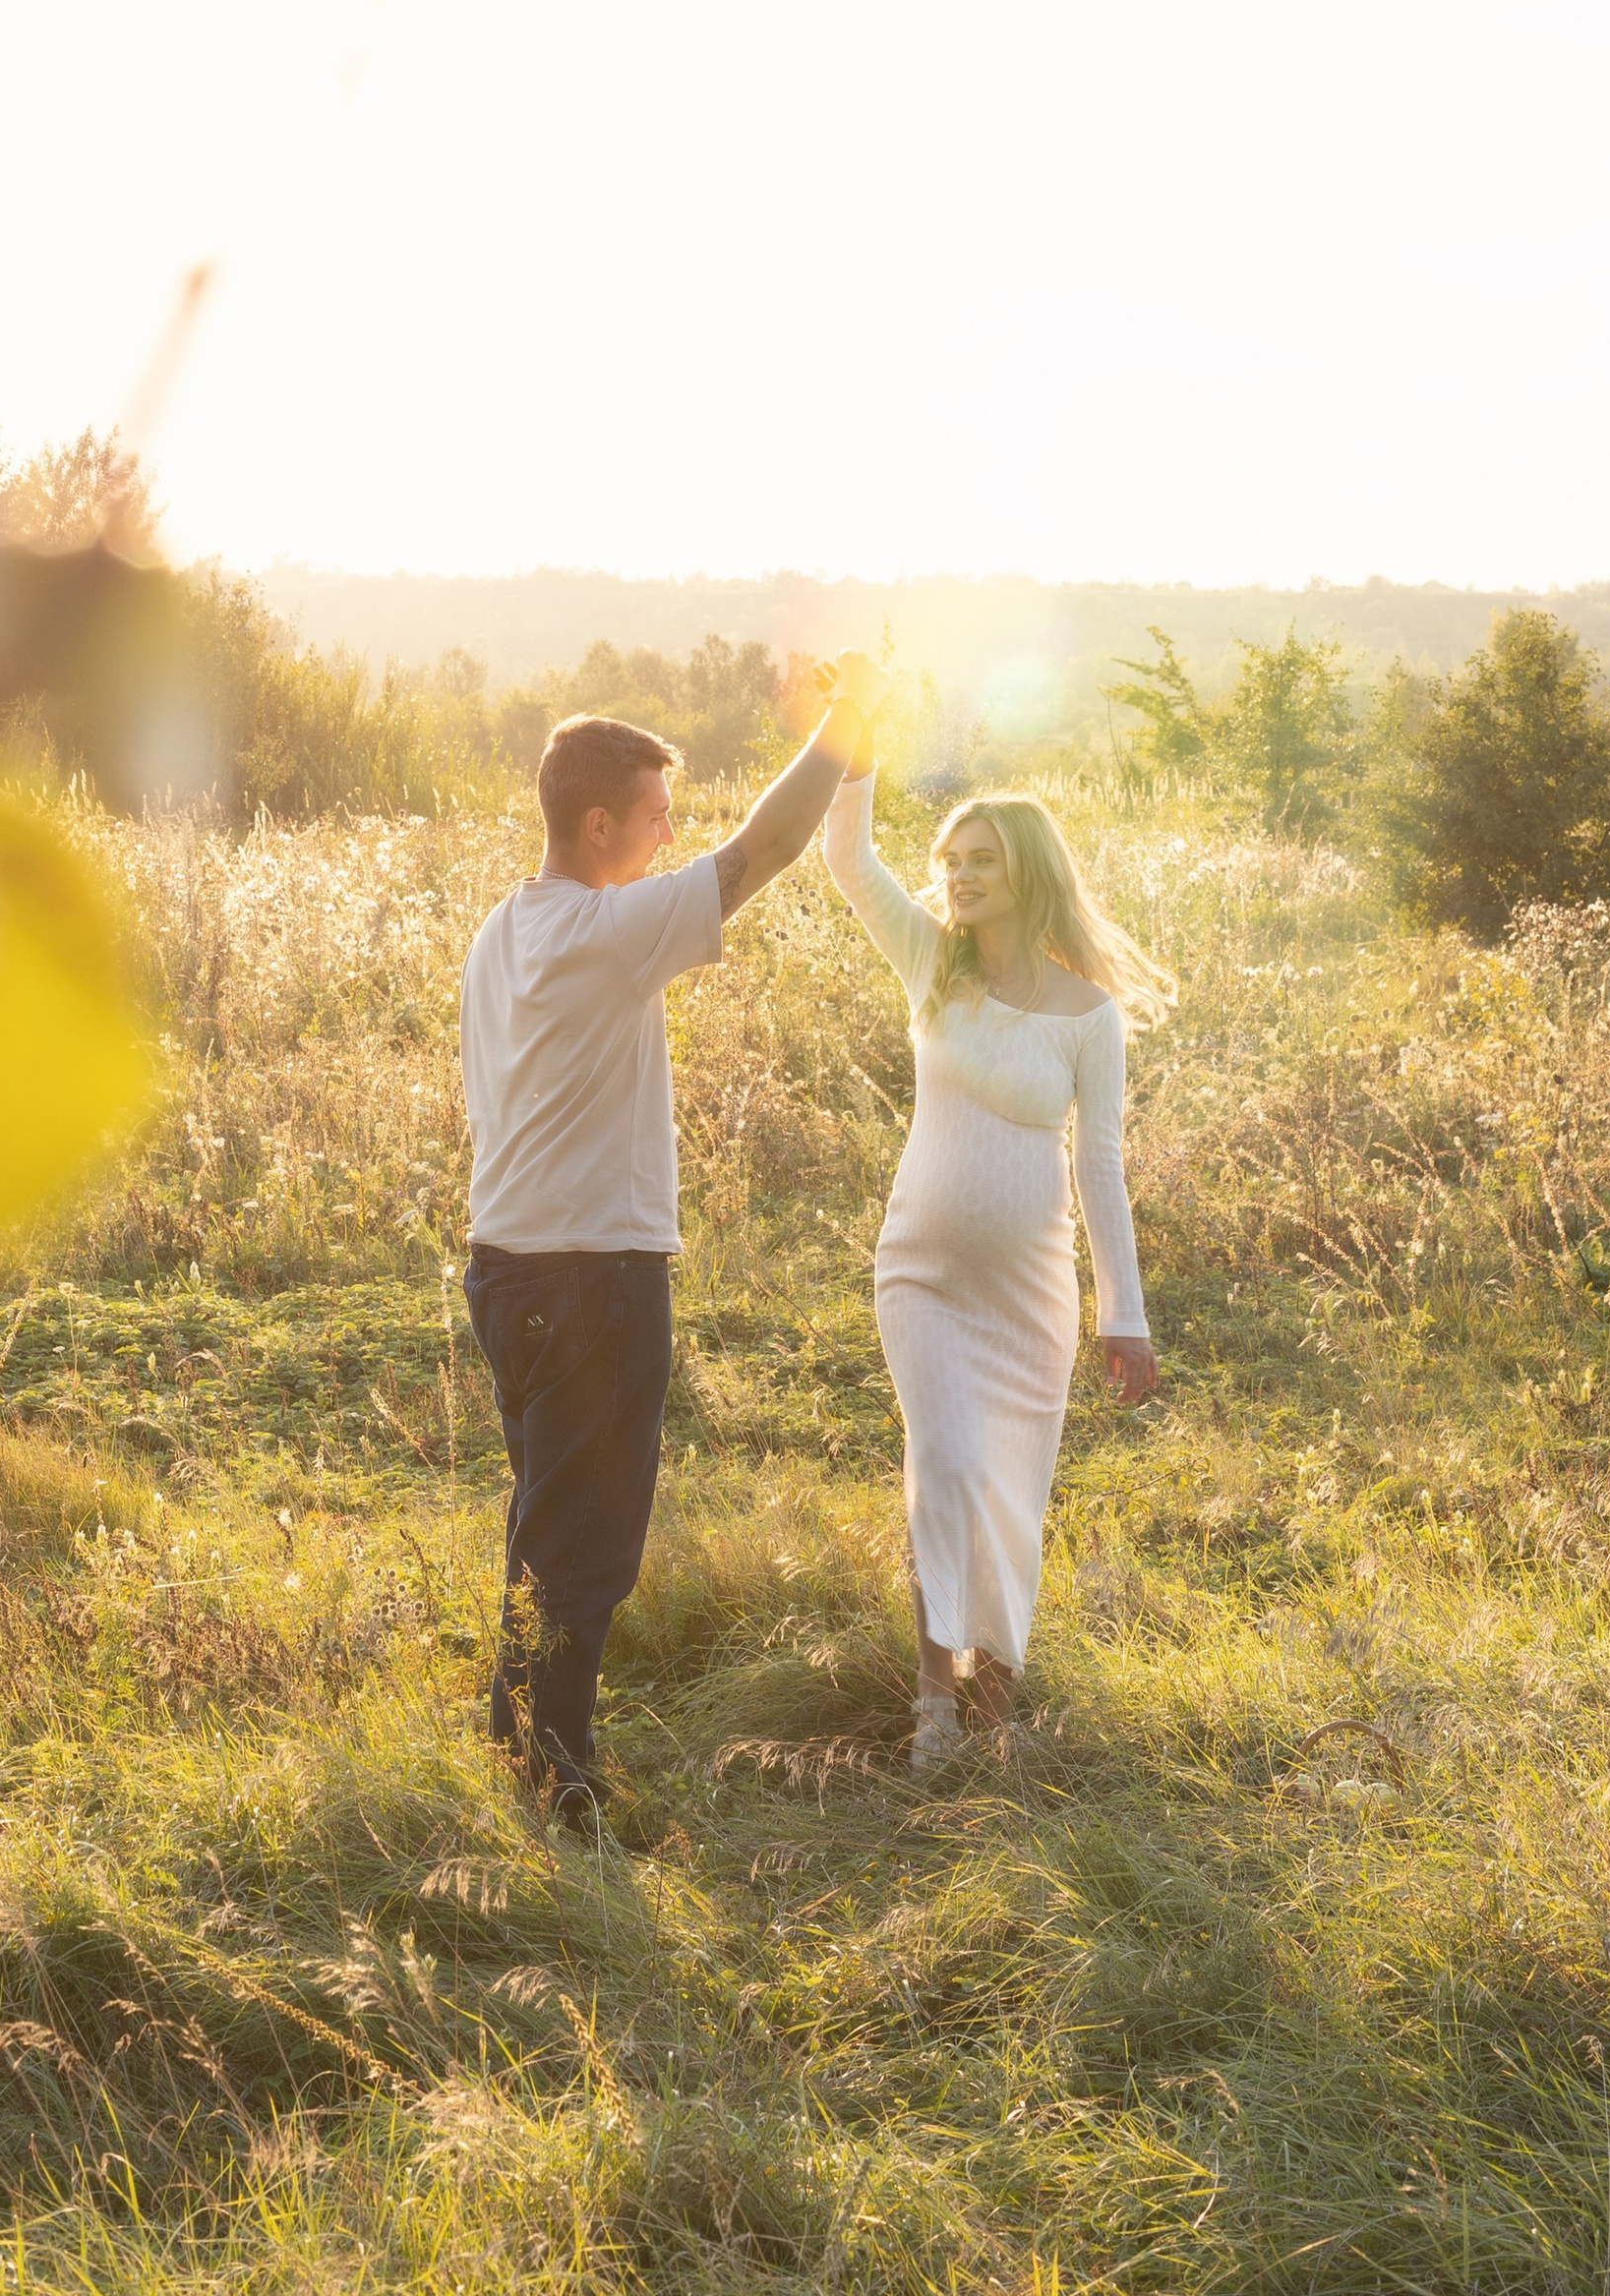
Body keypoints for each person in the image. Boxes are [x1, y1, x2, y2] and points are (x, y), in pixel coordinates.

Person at [458, 650, 889, 1824]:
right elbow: (765, 849)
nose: (668, 834)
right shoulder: (600, 931)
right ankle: (555, 1784)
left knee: (545, 1528)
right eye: (654, 815)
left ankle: (518, 1747)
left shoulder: (505, 929)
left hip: (510, 1271)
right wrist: (848, 721)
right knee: (585, 1551)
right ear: (597, 825)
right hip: (588, 1279)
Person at [820, 757, 1172, 1769]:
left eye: (981, 859)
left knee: (1013, 1489)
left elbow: (1100, 1166)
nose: (959, 875)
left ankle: (996, 1713)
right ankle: (934, 1701)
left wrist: (1124, 1313)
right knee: (945, 1465)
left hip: (1029, 1296)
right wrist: (855, 756)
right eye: (951, 860)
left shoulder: (1087, 1015)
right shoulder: (934, 965)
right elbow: (850, 862)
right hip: (921, 1277)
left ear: (1027, 872)